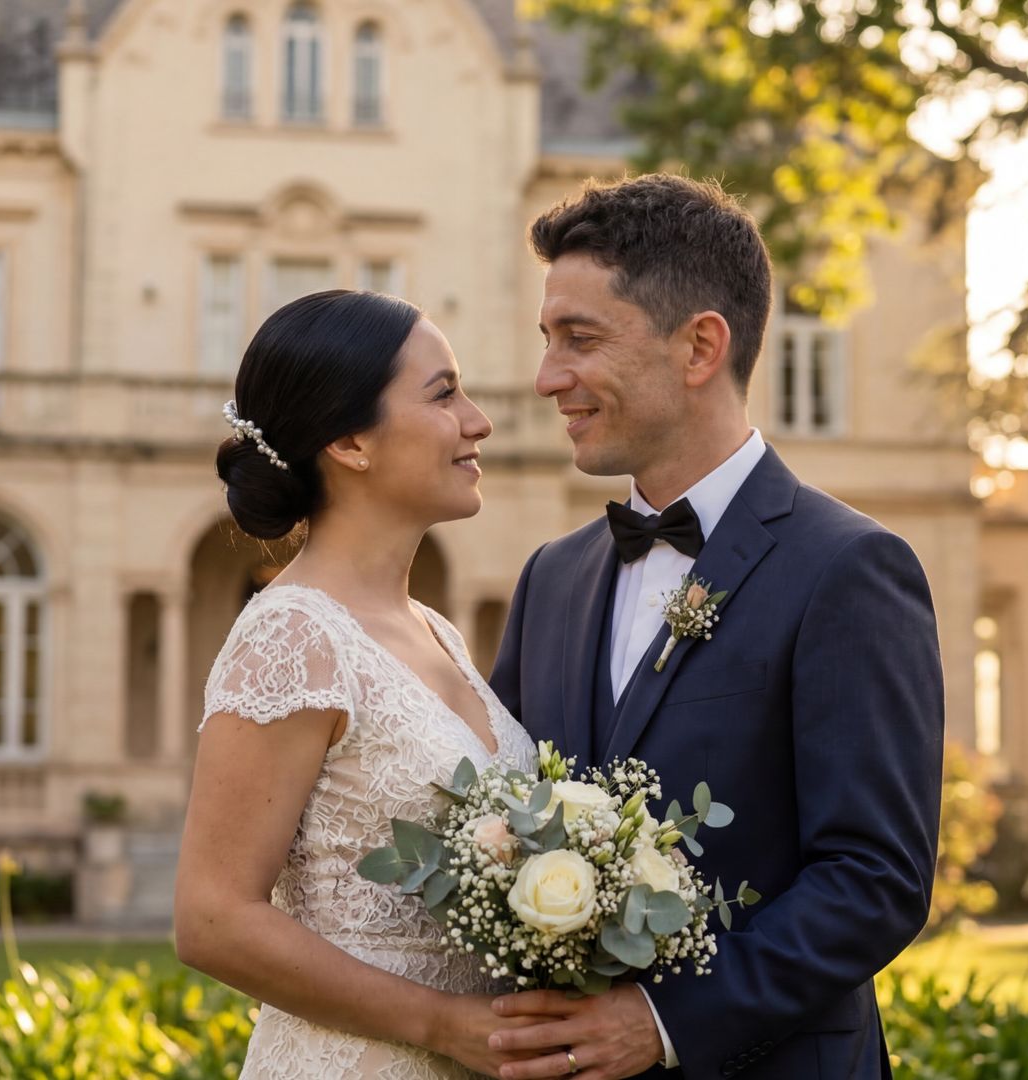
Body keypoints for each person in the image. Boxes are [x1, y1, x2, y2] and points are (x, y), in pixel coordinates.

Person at [485, 174, 945, 1080]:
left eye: (580, 340)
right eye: (547, 341)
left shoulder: (851, 570)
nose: (547, 379)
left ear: (700, 347)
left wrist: (663, 1022)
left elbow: (875, 880)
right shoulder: (551, 578)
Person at [174, 290, 545, 1078]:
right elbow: (212, 919)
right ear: (349, 441)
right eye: (444, 395)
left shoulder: (436, 631)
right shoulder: (293, 634)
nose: (478, 421)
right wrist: (446, 1026)